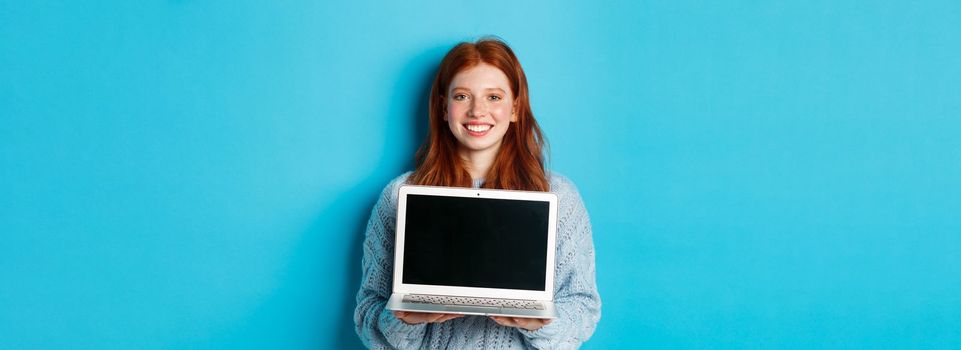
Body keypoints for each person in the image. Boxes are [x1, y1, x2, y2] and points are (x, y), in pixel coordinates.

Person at [354, 37, 600, 349]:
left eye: (494, 97)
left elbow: (583, 308)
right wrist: (404, 319)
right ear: (444, 108)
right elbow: (367, 315)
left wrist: (541, 324)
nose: (478, 111)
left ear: (515, 108)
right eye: (462, 96)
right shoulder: (400, 195)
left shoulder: (559, 196)